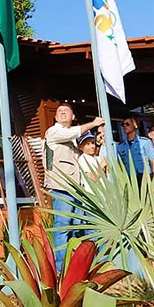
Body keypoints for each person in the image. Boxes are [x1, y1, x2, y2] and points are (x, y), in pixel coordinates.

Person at [43, 103, 105, 271]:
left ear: (73, 116)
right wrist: (93, 123)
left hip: (78, 190)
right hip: (62, 188)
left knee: (81, 226)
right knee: (63, 227)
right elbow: (74, 132)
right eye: (59, 112)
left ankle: (90, 263)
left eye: (66, 111)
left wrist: (99, 142)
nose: (62, 113)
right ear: (55, 118)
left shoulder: (73, 139)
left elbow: (86, 156)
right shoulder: (54, 132)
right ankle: (61, 269)